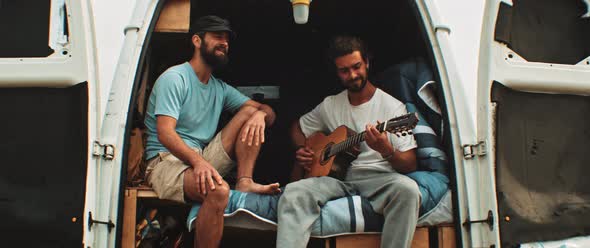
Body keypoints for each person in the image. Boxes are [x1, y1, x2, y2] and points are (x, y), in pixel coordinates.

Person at [143, 15, 280, 247]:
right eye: (217, 36)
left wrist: (260, 114)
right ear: (197, 41)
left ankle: (245, 181)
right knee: (218, 192)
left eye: (226, 39)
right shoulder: (174, 78)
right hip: (165, 162)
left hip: (200, 157)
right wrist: (199, 163)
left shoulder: (219, 88)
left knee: (250, 113)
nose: (224, 43)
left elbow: (271, 114)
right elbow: (165, 134)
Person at [277, 36, 420, 248]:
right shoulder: (330, 105)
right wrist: (303, 149)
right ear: (336, 72)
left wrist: (386, 149)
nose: (352, 75)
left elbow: (410, 163)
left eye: (357, 67)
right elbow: (297, 127)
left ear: (367, 63)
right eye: (344, 70)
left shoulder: (393, 108)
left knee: (408, 190)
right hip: (337, 179)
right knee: (293, 192)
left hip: (379, 179)